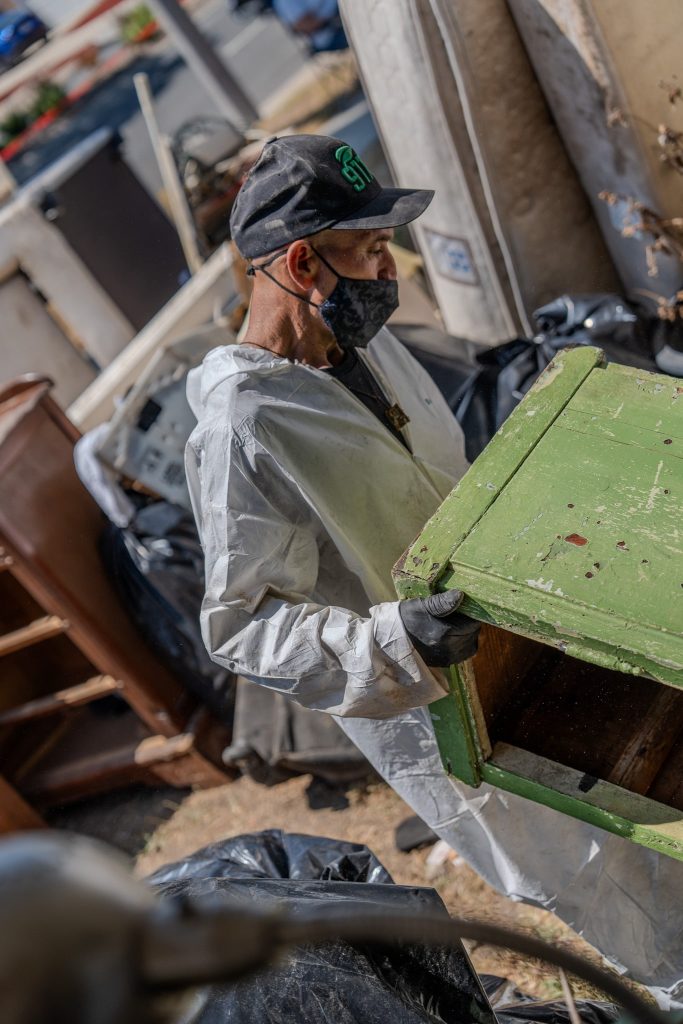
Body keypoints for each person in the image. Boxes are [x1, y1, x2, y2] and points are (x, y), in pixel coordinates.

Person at [186, 134, 683, 1008]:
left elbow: (440, 484)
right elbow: (241, 626)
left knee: (650, 803)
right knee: (603, 876)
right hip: (440, 718)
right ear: (302, 264)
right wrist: (392, 641)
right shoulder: (243, 425)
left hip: (520, 653)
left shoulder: (365, 348)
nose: (391, 266)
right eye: (370, 248)